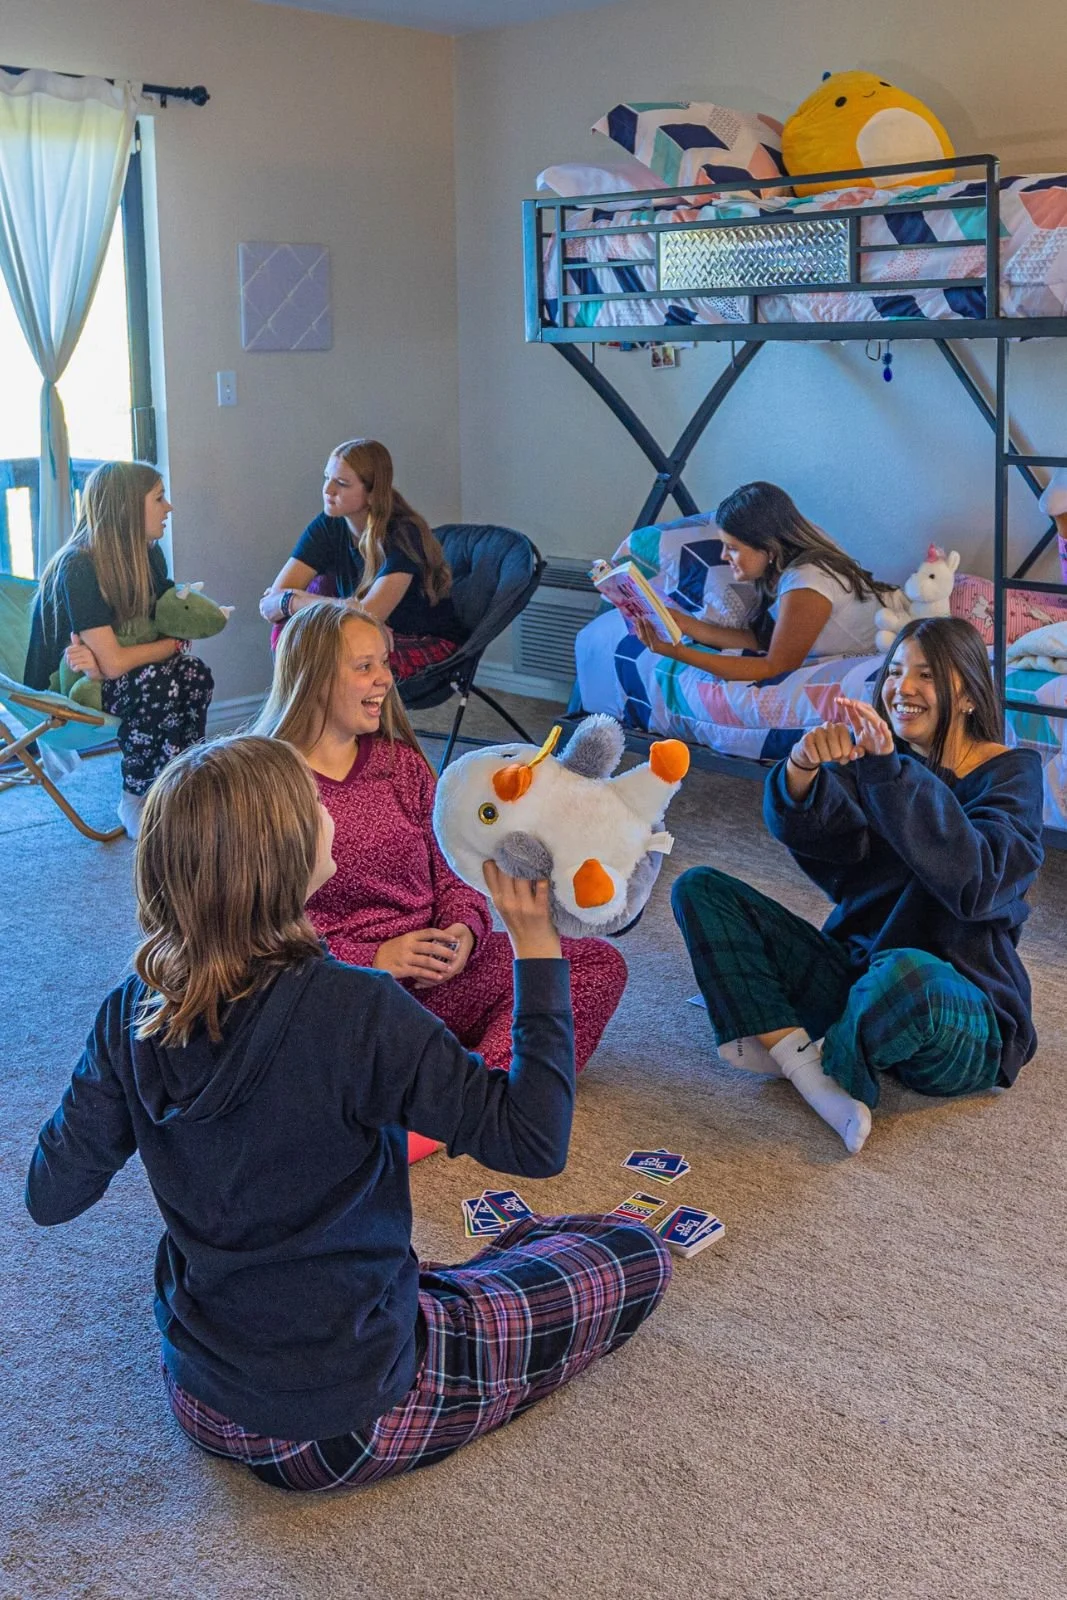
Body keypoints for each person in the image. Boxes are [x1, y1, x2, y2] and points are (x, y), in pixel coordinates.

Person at [25, 735, 671, 1492]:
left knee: (477, 1269)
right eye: (316, 806)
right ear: (286, 856)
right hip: (344, 1419)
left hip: (199, 1391)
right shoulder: (357, 1008)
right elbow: (533, 1139)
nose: (332, 815)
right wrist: (534, 945)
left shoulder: (128, 1011)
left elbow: (50, 1195)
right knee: (630, 1250)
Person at [671, 617, 1044, 1153]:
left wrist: (891, 773)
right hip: (858, 971)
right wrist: (801, 768)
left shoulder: (1012, 773)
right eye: (894, 670)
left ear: (966, 693)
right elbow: (831, 846)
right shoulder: (876, 758)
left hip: (959, 1003)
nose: (902, 687)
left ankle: (795, 1041)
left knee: (907, 972)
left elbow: (977, 882)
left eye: (926, 674)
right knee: (699, 887)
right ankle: (807, 1065)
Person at [252, 600, 629, 1114]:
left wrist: (464, 931)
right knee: (278, 1033)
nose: (384, 679)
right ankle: (438, 1084)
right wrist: (374, 960)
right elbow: (256, 932)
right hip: (339, 993)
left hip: (439, 980)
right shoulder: (263, 787)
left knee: (594, 964)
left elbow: (453, 869)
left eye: (385, 662)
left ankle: (466, 1101)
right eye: (364, 667)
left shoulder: (402, 764)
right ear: (313, 677)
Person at [23, 461, 214, 837]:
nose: (169, 507)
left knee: (195, 675)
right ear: (127, 509)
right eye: (159, 498)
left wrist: (170, 644)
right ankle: (136, 796)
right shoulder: (78, 567)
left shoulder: (148, 554)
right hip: (65, 691)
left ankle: (185, 788)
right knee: (162, 683)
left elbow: (175, 625)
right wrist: (168, 647)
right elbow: (113, 663)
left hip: (121, 674)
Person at [634, 481, 894, 682]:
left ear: (768, 548)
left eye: (733, 548)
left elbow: (775, 667)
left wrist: (679, 653)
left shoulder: (807, 580)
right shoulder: (781, 576)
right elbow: (763, 641)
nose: (724, 557)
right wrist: (685, 624)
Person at [259, 438, 463, 678]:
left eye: (342, 484)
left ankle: (329, 716)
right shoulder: (329, 524)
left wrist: (297, 600)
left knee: (335, 660)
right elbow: (271, 606)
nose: (328, 490)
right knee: (293, 632)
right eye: (327, 477)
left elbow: (369, 615)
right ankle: (324, 716)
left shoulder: (403, 533)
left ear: (371, 494)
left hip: (423, 640)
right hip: (362, 636)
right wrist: (294, 601)